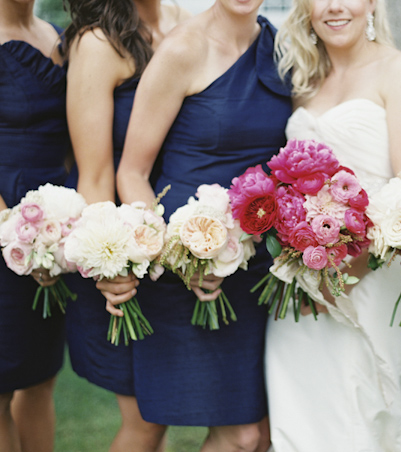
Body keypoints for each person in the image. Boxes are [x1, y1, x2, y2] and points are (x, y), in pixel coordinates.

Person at [116, 0, 291, 450]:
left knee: (261, 435)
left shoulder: (283, 48)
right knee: (242, 435)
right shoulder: (182, 50)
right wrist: (181, 255)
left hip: (256, 270)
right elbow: (132, 173)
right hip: (186, 263)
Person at [264, 0, 401, 450]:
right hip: (301, 284)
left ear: (373, 4)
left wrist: (343, 275)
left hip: (372, 276)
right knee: (300, 421)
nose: (336, 6)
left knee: (369, 418)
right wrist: (305, 266)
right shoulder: (304, 80)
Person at [62, 0, 190, 450]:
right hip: (122, 254)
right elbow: (93, 175)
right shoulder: (98, 43)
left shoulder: (184, 23)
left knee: (163, 414)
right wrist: (110, 266)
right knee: (144, 420)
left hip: (178, 251)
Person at [0, 1, 69, 451]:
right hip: (6, 228)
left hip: (54, 223)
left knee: (41, 376)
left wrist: (60, 231)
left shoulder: (57, 35)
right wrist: (12, 234)